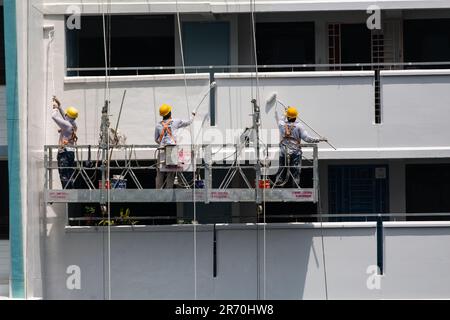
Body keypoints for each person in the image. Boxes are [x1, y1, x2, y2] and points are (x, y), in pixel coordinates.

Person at [274, 106, 327, 188]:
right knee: (296, 170)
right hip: (295, 152)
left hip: (284, 151)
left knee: (282, 168)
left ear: (288, 117)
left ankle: (278, 182)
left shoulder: (281, 125)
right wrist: (319, 139)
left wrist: (285, 112)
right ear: (295, 117)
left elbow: (281, 119)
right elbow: (307, 138)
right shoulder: (299, 126)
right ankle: (295, 184)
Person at [154, 104, 196, 189]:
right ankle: (168, 190)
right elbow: (189, 122)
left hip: (162, 150)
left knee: (160, 172)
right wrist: (193, 115)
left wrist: (163, 142)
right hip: (172, 149)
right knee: (171, 171)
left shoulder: (158, 126)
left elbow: (156, 139)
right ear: (169, 112)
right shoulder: (176, 122)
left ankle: (158, 191)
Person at [51, 96, 79, 189]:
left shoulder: (66, 125)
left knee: (64, 174)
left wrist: (55, 108)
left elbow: (54, 117)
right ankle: (70, 190)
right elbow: (66, 118)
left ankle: (67, 192)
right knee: (69, 173)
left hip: (64, 153)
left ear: (68, 115)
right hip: (71, 153)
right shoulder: (73, 124)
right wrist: (60, 106)